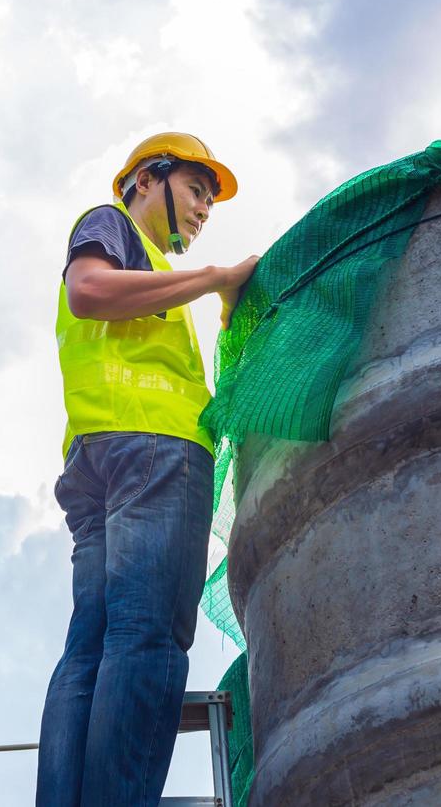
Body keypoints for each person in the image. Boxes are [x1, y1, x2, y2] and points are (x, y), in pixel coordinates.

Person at [37, 132, 259, 806]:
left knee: (95, 642)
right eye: (195, 190)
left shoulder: (152, 262)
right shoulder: (112, 226)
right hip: (153, 451)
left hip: (98, 456)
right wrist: (217, 279)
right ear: (145, 181)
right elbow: (89, 289)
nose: (201, 210)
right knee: (149, 633)